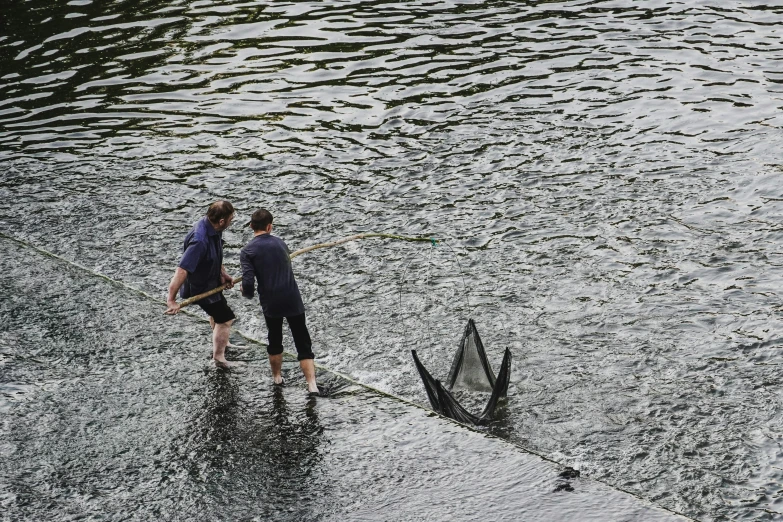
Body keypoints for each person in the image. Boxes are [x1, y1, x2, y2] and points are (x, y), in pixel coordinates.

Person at [240, 208, 319, 394]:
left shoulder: (247, 251)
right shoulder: (281, 244)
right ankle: (312, 385)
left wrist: (245, 291)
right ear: (270, 226)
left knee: (274, 339)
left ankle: (277, 378)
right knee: (302, 341)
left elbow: (249, 285)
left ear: (251, 226)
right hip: (293, 299)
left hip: (271, 302)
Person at [165, 200, 236, 368]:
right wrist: (171, 300)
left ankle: (223, 342)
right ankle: (219, 358)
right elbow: (182, 270)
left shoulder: (213, 228)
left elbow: (214, 254)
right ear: (221, 221)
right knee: (225, 319)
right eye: (231, 218)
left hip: (212, 280)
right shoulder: (199, 241)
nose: (232, 221)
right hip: (201, 287)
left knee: (219, 314)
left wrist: (222, 273)